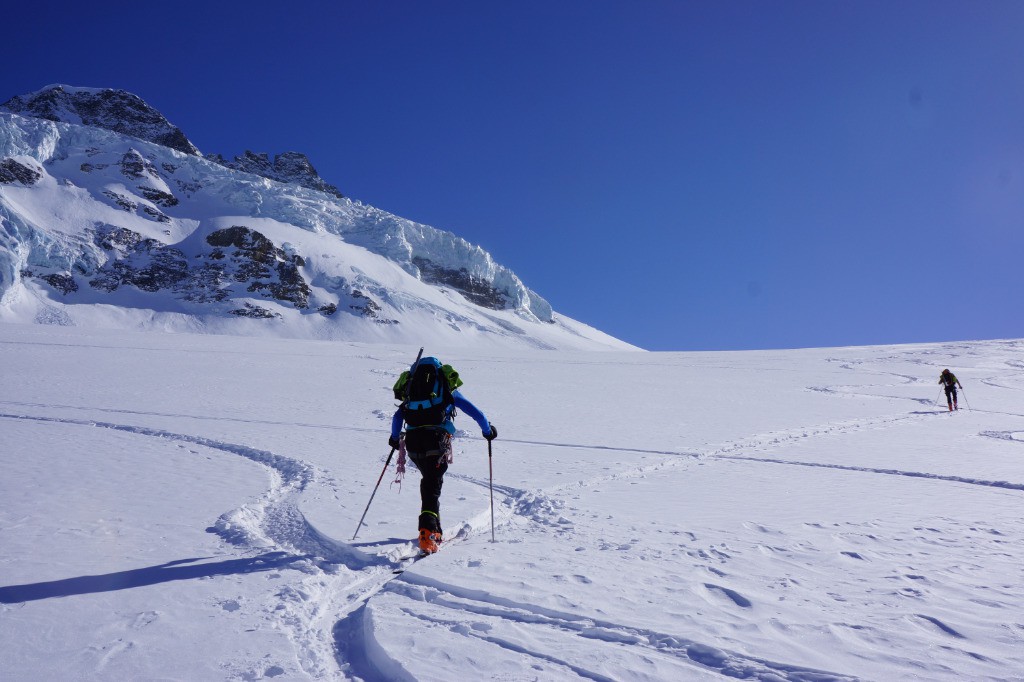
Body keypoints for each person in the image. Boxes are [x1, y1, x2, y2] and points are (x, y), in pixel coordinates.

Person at [389, 356, 497, 554]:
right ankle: (427, 533)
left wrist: (395, 438)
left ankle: (434, 529)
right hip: (436, 442)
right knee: (432, 484)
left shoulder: (412, 390)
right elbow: (476, 412)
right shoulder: (445, 388)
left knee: (430, 480)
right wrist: (487, 430)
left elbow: (398, 416)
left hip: (413, 444)